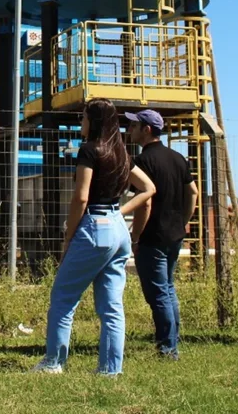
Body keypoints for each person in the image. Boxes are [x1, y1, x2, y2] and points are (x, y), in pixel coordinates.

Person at [32, 98, 155, 376]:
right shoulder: (121, 152)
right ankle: (110, 369)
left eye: (84, 117)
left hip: (95, 226)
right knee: (112, 306)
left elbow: (81, 197)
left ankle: (53, 363)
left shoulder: (89, 150)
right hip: (118, 228)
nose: (81, 122)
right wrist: (121, 211)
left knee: (63, 297)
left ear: (94, 120)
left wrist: (69, 237)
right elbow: (148, 188)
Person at [124, 109, 199, 360]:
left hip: (152, 236)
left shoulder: (143, 161)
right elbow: (193, 192)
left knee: (158, 294)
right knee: (167, 288)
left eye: (134, 126)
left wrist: (136, 237)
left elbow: (144, 203)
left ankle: (168, 348)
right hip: (174, 235)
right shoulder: (177, 158)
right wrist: (183, 221)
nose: (129, 130)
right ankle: (172, 340)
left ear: (146, 130)